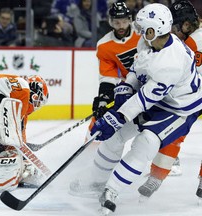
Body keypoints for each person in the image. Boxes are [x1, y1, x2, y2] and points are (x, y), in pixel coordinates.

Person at [88, 3, 202, 214]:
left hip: (179, 108)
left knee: (146, 142)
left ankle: (111, 190)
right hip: (159, 97)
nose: (138, 31)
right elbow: (138, 67)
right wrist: (125, 86)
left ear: (154, 30)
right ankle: (94, 182)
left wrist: (118, 116)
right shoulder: (148, 41)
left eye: (142, 28)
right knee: (116, 136)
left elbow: (144, 99)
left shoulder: (171, 62)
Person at [69, 1, 140, 197]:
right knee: (102, 120)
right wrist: (103, 99)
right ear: (110, 22)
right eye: (116, 22)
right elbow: (108, 76)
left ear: (130, 20)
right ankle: (91, 157)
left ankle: (169, 157)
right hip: (130, 87)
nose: (121, 26)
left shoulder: (142, 31)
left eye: (124, 21)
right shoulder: (104, 45)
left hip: (153, 85)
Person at [138, 0, 202, 200]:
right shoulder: (183, 42)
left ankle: (158, 177)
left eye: (175, 27)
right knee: (173, 133)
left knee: (173, 133)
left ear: (186, 24)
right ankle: (157, 177)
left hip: (192, 95)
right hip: (192, 95)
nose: (171, 31)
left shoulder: (192, 41)